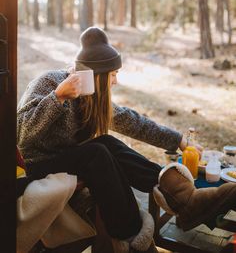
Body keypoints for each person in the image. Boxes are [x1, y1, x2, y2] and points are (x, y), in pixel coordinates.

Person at [17, 27, 236, 253]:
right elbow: (22, 135)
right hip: (36, 163)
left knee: (107, 144)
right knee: (97, 153)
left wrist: (179, 139)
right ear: (98, 76)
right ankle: (131, 236)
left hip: (69, 160)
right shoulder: (49, 82)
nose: (116, 82)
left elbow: (134, 122)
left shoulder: (90, 97)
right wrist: (58, 97)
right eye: (113, 75)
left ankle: (185, 200)